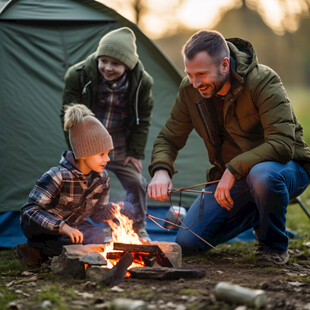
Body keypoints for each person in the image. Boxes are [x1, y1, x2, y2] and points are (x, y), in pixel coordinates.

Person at [147, 30, 310, 266]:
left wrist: (233, 169)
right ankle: (257, 210)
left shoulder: (263, 80)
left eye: (201, 74)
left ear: (225, 64)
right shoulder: (189, 90)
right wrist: (161, 170)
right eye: (190, 74)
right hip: (233, 180)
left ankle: (273, 246)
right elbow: (169, 138)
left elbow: (282, 144)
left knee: (262, 176)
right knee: (188, 242)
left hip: (286, 169)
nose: (195, 83)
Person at [61, 27, 153, 241]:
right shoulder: (78, 75)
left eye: (116, 64)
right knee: (91, 184)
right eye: (104, 61)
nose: (108, 68)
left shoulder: (142, 82)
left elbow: (144, 118)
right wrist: (80, 151)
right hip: (89, 143)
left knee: (137, 182)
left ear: (128, 65)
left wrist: (135, 151)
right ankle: (96, 228)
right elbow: (68, 116)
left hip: (120, 143)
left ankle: (138, 225)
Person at [18, 104, 134, 269]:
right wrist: (63, 228)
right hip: (42, 226)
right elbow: (30, 212)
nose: (107, 159)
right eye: (102, 154)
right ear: (84, 152)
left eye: (108, 153)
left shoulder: (102, 179)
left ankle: (61, 249)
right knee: (64, 238)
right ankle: (36, 248)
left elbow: (96, 214)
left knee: (97, 235)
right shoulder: (58, 176)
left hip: (73, 226)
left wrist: (115, 210)